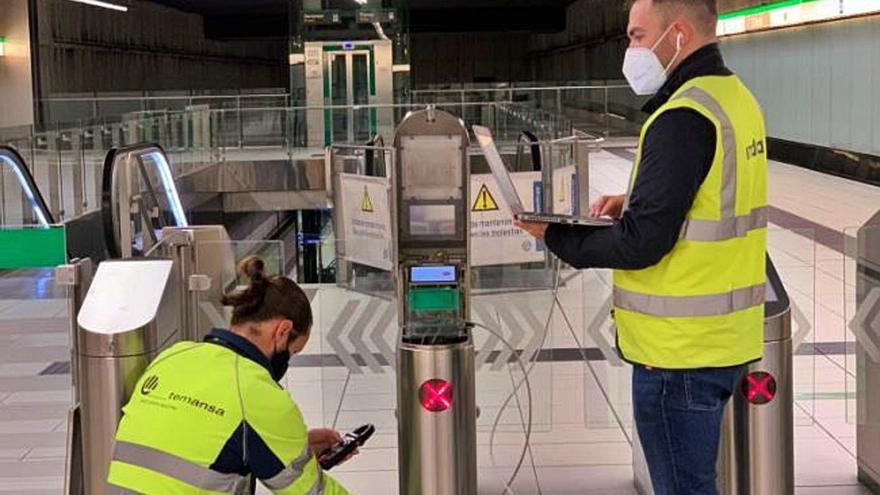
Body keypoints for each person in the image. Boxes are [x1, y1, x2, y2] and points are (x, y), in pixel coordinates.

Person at [517, 0, 768, 493]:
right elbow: (710, 194)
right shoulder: (735, 99)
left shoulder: (683, 115)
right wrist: (635, 199)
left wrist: (558, 235)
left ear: (676, 34)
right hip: (723, 338)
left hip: (678, 352)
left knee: (683, 488)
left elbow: (642, 244)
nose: (629, 49)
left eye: (635, 36)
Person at [107, 256, 353, 495]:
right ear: (283, 331)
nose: (288, 360)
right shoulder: (261, 396)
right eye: (293, 351)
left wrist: (290, 450)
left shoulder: (172, 356)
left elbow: (193, 444)